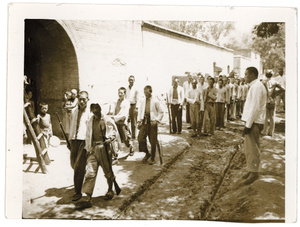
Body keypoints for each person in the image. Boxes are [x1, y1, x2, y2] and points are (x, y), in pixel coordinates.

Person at [79, 103, 121, 207]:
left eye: (96, 108)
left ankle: (110, 190)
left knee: (108, 171)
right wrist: (88, 148)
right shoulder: (90, 121)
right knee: (90, 172)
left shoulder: (107, 120)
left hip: (104, 149)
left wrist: (109, 139)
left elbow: (114, 132)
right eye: (93, 109)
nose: (95, 111)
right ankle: (88, 197)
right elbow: (88, 135)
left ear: (100, 108)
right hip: (93, 149)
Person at [241, 67, 267, 185]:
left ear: (252, 75)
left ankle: (254, 172)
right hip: (253, 121)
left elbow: (255, 107)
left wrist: (248, 124)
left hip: (254, 122)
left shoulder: (257, 87)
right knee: (249, 148)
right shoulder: (255, 86)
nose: (245, 76)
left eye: (246, 74)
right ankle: (251, 169)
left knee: (253, 148)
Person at [68, 91, 91, 201]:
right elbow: (71, 125)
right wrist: (70, 140)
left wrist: (89, 144)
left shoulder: (89, 113)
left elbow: (90, 130)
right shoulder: (74, 111)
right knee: (73, 164)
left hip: (83, 141)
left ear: (88, 99)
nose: (81, 101)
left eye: (84, 99)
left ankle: (77, 192)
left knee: (78, 167)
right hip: (74, 141)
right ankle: (80, 179)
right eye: (80, 99)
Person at [137, 85, 164, 165]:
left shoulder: (155, 101)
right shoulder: (142, 101)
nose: (145, 94)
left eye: (147, 92)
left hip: (152, 123)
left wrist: (156, 120)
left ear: (150, 92)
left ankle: (152, 158)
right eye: (144, 92)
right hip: (144, 122)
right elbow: (140, 111)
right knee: (140, 138)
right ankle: (147, 153)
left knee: (153, 141)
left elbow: (161, 112)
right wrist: (139, 121)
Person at [109, 87, 134, 156]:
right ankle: (115, 154)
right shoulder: (116, 102)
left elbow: (124, 115)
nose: (120, 94)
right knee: (115, 138)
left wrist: (114, 117)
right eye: (119, 93)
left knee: (125, 139)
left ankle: (131, 146)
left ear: (125, 94)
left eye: (121, 93)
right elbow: (112, 111)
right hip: (115, 123)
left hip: (122, 123)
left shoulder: (126, 103)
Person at [261, 71, 284, 137]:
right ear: (272, 75)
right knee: (272, 117)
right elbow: (283, 89)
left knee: (265, 117)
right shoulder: (275, 82)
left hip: (266, 101)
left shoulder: (263, 82)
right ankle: (271, 132)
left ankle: (264, 131)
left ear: (266, 75)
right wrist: (276, 93)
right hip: (273, 101)